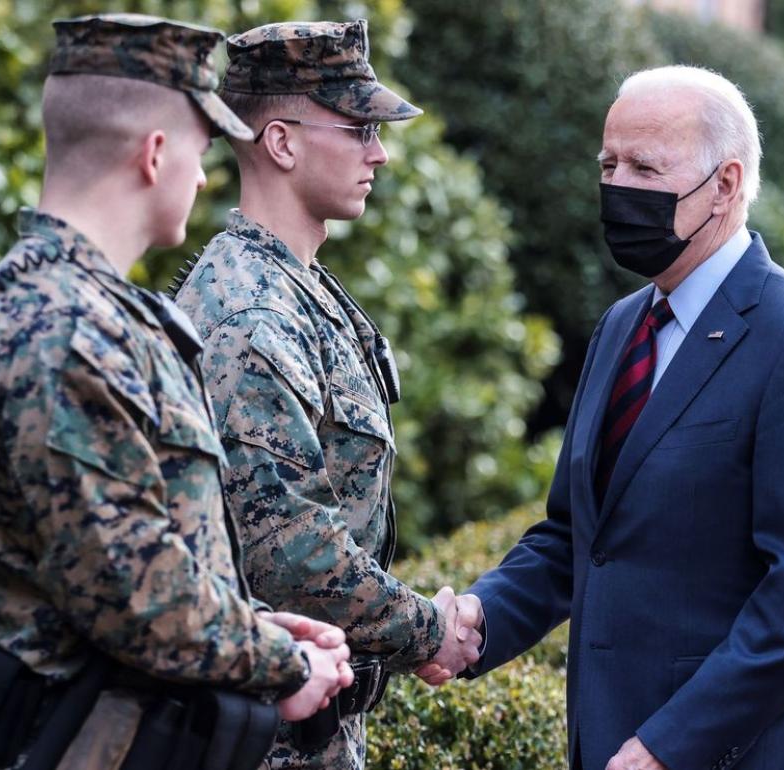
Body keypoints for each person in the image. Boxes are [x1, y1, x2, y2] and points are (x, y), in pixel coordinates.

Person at [0, 14, 354, 768]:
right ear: (155, 153)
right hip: (80, 738)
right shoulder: (65, 327)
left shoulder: (75, 307)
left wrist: (263, 626)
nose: (203, 176)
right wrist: (285, 663)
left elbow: (151, 549)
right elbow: (135, 592)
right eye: (199, 151)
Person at [453, 65, 784, 770]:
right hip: (608, 738)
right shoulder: (623, 326)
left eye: (646, 167)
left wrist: (671, 744)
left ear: (725, 184)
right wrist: (481, 617)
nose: (619, 187)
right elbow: (576, 536)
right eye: (609, 163)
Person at [171, 19, 482, 770]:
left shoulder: (297, 288)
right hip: (259, 739)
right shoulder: (251, 314)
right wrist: (430, 632)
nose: (379, 152)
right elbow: (291, 554)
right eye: (359, 128)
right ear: (281, 142)